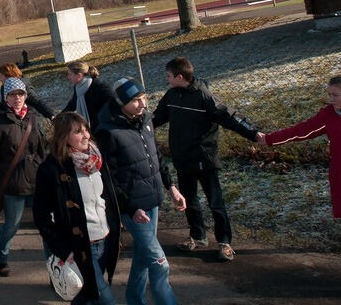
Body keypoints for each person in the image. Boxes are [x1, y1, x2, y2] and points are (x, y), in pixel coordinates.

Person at [153, 56, 260, 261]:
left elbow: (230, 117)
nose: (166, 79)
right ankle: (197, 236)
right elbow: (156, 118)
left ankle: (224, 242)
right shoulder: (171, 96)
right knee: (189, 200)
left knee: (215, 202)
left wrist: (253, 134)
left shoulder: (204, 96)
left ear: (180, 76)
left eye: (168, 76)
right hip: (182, 158)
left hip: (205, 158)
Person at [97, 77, 186, 305]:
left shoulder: (145, 120)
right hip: (133, 208)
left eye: (144, 98)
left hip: (153, 200)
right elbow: (109, 179)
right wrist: (130, 207)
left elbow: (156, 157)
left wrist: (172, 188)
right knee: (159, 262)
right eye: (136, 100)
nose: (142, 104)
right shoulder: (108, 131)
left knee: (143, 257)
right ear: (121, 102)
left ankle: (134, 299)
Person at [34, 113, 120, 305]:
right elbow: (41, 216)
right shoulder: (52, 169)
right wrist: (62, 249)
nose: (87, 136)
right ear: (64, 136)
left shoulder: (96, 158)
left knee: (87, 294)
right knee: (104, 297)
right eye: (78, 132)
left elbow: (108, 196)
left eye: (86, 130)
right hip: (80, 246)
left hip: (104, 239)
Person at [0, 77, 46, 277]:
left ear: (26, 96)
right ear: (5, 98)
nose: (17, 98)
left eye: (21, 94)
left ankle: (55, 262)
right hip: (12, 183)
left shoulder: (32, 117)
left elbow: (41, 148)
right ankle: (1, 258)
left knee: (46, 224)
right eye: (12, 94)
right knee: (12, 226)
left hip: (35, 180)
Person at [259, 76, 341, 218]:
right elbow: (303, 130)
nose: (331, 99)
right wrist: (270, 139)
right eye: (329, 95)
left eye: (335, 95)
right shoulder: (329, 114)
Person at [61, 61, 115, 135]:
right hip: (90, 128)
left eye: (70, 74)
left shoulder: (99, 86)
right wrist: (61, 116)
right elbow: (73, 103)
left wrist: (100, 119)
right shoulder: (78, 88)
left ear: (79, 75)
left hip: (104, 128)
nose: (68, 77)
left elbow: (112, 104)